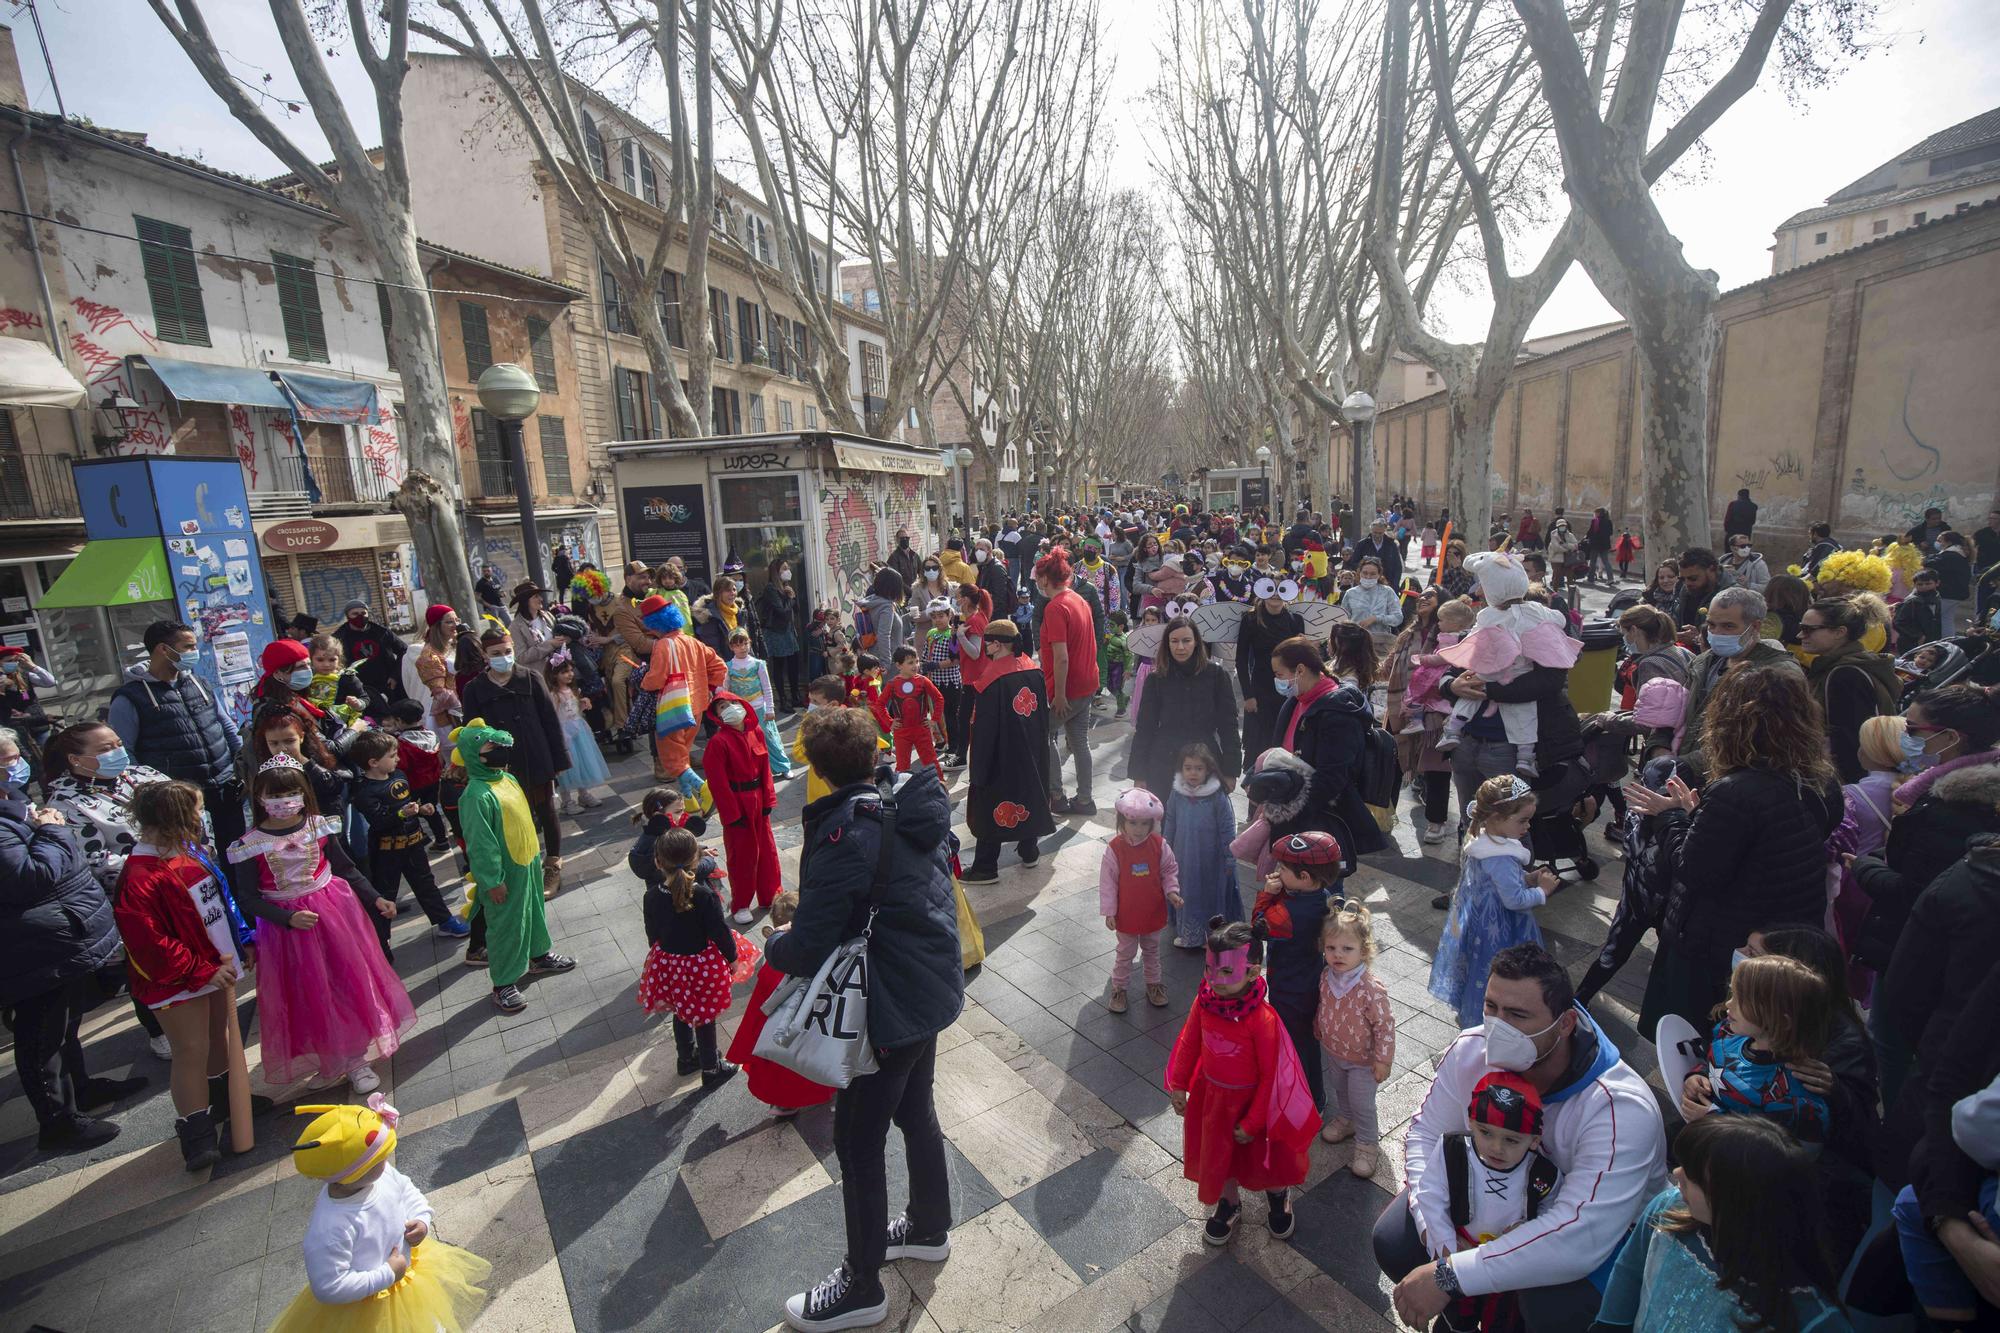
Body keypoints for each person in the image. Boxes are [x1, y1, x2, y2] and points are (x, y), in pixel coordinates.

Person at [770, 707, 962, 1333]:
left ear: (818, 771)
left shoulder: (845, 834)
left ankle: (861, 1286)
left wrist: (774, 941)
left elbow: (805, 947)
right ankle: (930, 1227)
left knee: (857, 1143)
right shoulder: (908, 800)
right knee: (916, 1111)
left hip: (887, 1004)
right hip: (929, 985)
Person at [1376, 945, 1667, 1331]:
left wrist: (1451, 1275)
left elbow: (1579, 1236)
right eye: (1491, 1007)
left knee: (1549, 1308)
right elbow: (1426, 1135)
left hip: (1604, 1238)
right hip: (1494, 1207)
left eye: (1517, 1015)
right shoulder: (1471, 1050)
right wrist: (1443, 1246)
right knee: (1395, 1240)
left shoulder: (1620, 1109)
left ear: (1564, 1024)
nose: (1497, 1027)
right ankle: (1462, 1317)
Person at [1628, 668, 1842, 1039]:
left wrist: (1672, 816)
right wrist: (1699, 817)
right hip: (1776, 938)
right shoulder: (1821, 781)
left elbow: (1693, 870)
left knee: (1698, 1044)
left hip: (1718, 945)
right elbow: (1767, 848)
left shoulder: (1736, 791)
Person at [226, 755, 414, 1096]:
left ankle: (356, 1058)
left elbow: (346, 867)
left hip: (335, 915)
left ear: (303, 793)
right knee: (307, 992)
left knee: (346, 980)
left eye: (290, 793)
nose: (283, 802)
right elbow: (248, 899)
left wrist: (376, 898)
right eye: (275, 795)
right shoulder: (249, 845)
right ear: (260, 798)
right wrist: (287, 918)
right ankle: (331, 1054)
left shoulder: (318, 826)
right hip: (287, 933)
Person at [3, 749, 143, 1151]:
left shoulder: (12, 801)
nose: (18, 764)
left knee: (63, 1023)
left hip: (55, 937)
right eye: (8, 758)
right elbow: (31, 876)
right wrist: (53, 830)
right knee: (40, 1037)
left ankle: (79, 1089)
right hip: (28, 948)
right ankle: (58, 1122)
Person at [1595, 1116, 1848, 1333]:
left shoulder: (1810, 1319)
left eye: (1692, 1176)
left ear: (1734, 1204)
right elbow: (1629, 1271)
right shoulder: (1669, 1209)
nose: (1676, 1174)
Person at [266, 1098, 491, 1333]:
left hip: (407, 1282)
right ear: (354, 1172)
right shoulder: (331, 1227)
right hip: (369, 1308)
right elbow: (329, 1286)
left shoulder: (379, 1175)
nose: (387, 1160)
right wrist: (386, 1274)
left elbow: (405, 1189)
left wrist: (422, 1218)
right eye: (379, 1158)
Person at [1166, 917, 1320, 1246]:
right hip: (1214, 1102)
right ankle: (1229, 1202)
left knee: (1266, 1163)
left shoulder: (1261, 1021)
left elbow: (1270, 1076)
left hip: (1255, 1107)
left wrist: (1253, 1122)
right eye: (1210, 968)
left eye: (1225, 971)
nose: (1215, 979)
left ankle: (1278, 1195)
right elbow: (1189, 1043)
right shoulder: (1204, 1003)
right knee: (1221, 1158)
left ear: (1252, 971)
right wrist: (1179, 1084)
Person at [1417, 1073, 1563, 1333]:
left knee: (1502, 1321)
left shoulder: (1543, 1174)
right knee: (1455, 1317)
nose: (1496, 1147)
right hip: (1459, 1253)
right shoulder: (1452, 1148)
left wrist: (1528, 1232)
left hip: (1509, 1266)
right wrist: (1447, 1247)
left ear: (1534, 1141)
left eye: (1511, 1140)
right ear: (1471, 1123)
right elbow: (1430, 1195)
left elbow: (1554, 1213)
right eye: (1486, 1132)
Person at [455, 720, 574, 1014]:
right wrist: (492, 880)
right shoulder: (475, 796)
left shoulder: (506, 779)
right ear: (474, 754)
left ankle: (539, 955)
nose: (499, 751)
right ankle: (504, 983)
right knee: (506, 925)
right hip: (505, 873)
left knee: (534, 911)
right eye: (491, 747)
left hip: (529, 861)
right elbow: (480, 844)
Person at [1430, 776, 1564, 1025]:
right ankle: (1496, 1017)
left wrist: (1527, 878)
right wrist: (1542, 892)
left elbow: (1499, 882)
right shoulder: (1500, 856)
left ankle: (1476, 1011)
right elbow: (1513, 899)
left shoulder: (1486, 842)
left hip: (1479, 922)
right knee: (1499, 972)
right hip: (1500, 928)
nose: (1528, 827)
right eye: (1522, 820)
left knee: (1478, 969)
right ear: (1496, 818)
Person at [108, 619, 246, 853]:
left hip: (224, 790)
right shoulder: (130, 698)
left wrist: (241, 767)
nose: (195, 653)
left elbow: (227, 728)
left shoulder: (199, 683)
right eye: (188, 647)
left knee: (237, 854)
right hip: (179, 801)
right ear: (163, 649)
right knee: (196, 859)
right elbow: (127, 753)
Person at [633, 824, 750, 1086]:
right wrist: (732, 959)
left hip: (669, 963)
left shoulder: (651, 896)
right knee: (704, 1016)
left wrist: (661, 959)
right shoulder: (704, 895)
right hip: (701, 965)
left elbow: (652, 934)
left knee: (681, 1011)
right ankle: (711, 1067)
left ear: (657, 862)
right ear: (696, 860)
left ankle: (686, 1058)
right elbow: (719, 932)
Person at [1680, 954, 1834, 1152]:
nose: (1728, 1004)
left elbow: (1787, 1155)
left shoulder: (1795, 1094)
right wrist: (1697, 1076)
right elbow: (1711, 1061)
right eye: (1732, 994)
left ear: (1781, 1020)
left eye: (1741, 1000)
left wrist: (1714, 1120)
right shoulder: (1728, 1032)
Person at [462, 627, 571, 892]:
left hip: (535, 754)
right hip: (500, 764)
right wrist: (477, 765)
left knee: (546, 810)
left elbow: (550, 722)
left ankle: (553, 864)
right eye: (496, 653)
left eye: (507, 652)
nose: (503, 657)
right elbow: (472, 732)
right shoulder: (474, 689)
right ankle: (523, 865)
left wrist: (558, 760)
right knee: (512, 817)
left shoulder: (531, 678)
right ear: (485, 656)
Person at [1253, 829, 1346, 1127]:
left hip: (1288, 989)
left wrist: (1268, 892)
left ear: (1304, 876)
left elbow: (1258, 925)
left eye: (1283, 869)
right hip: (1310, 980)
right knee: (1307, 1043)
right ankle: (1316, 1096)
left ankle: (1308, 1101)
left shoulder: (1286, 914)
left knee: (1295, 1046)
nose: (1277, 872)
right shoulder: (1325, 895)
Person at [1266, 636, 1388, 854]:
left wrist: (1291, 811)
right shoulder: (1295, 700)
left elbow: (1333, 777)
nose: (1277, 680)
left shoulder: (1337, 713)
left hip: (1318, 822)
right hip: (1289, 811)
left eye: (1279, 674)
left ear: (1300, 670)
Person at [959, 620, 1056, 882]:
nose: (984, 647)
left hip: (1002, 757)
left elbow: (984, 730)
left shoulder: (991, 681)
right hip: (1031, 750)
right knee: (1030, 793)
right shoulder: (1032, 669)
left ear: (997, 644)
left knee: (990, 802)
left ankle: (985, 866)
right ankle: (1029, 850)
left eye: (987, 642)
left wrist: (978, 768)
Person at [727, 890, 835, 1119]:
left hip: (775, 1034)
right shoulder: (819, 960)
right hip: (808, 1035)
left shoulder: (772, 967)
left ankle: (782, 1104)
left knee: (778, 1070)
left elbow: (759, 1010)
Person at [346, 730, 463, 941]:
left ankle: (445, 921)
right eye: (392, 756)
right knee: (385, 894)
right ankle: (381, 942)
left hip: (413, 843)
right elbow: (379, 820)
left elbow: (408, 803)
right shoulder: (364, 791)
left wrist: (420, 809)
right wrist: (402, 813)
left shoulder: (399, 775)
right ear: (373, 762)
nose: (397, 759)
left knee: (426, 884)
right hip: (386, 852)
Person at [1313, 898, 1395, 1177]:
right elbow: (1324, 1004)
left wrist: (1383, 1060)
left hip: (1363, 1060)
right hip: (1335, 1052)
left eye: (1347, 949)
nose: (1338, 954)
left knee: (1363, 1102)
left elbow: (1384, 1025)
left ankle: (1367, 1145)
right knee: (1341, 1090)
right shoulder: (1327, 976)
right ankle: (1346, 1120)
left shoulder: (1370, 988)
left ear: (1364, 950)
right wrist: (1319, 1024)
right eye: (1331, 948)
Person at [1676, 587, 1801, 768]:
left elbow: (1759, 744)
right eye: (1711, 625)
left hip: (1734, 780)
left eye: (1728, 626)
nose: (1717, 633)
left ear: (1755, 626)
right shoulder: (1703, 662)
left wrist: (1686, 765)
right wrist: (1659, 746)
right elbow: (1675, 711)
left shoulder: (1778, 674)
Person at [1129, 615, 1242, 796]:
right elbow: (1145, 727)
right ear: (1167, 644)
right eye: (1174, 641)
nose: (1180, 647)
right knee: (1165, 820)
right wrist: (1139, 773)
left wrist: (1231, 770)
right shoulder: (1156, 678)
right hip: (1163, 762)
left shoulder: (1215, 675)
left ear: (1196, 642)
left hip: (1205, 759)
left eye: (1186, 640)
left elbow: (1228, 724)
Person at [1098, 788, 1184, 1014]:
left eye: (1144, 824)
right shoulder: (1115, 849)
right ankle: (1119, 988)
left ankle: (1154, 985)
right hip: (1125, 913)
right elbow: (1108, 883)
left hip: (1151, 910)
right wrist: (1110, 911)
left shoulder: (1159, 845)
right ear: (1122, 821)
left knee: (1152, 950)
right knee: (1125, 953)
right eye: (1132, 823)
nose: (1138, 829)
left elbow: (1169, 870)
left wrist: (1172, 891)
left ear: (1152, 823)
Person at [703, 690, 782, 926]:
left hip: (758, 796)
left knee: (767, 850)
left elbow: (766, 768)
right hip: (738, 801)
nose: (729, 709)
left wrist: (768, 800)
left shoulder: (755, 732)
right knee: (742, 856)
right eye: (722, 708)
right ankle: (741, 903)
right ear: (717, 716)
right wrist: (732, 815)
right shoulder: (718, 742)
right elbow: (718, 783)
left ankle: (770, 895)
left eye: (731, 704)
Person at [1800, 598, 1899, 784]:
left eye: (1808, 630)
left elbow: (1849, 742)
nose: (1800, 635)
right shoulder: (1847, 665)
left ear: (1839, 632)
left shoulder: (1844, 674)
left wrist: (1845, 792)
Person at [638, 596, 728, 795]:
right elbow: (720, 667)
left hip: (674, 708)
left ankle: (706, 791)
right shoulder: (692, 641)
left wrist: (641, 680)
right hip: (696, 708)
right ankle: (689, 800)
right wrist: (709, 687)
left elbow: (655, 680)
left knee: (673, 759)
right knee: (683, 755)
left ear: (654, 623)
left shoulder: (663, 645)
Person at [1034, 550, 1101, 815]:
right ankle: (1085, 799)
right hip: (1086, 681)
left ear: (1044, 579)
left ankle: (1057, 795)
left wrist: (1059, 695)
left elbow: (1061, 657)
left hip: (1069, 687)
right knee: (1079, 740)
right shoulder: (1078, 599)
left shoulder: (1056, 607)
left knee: (1044, 734)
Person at [1164, 742, 1237, 949]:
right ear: (1182, 769)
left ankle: (1209, 935)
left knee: (1209, 893)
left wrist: (1229, 856)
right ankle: (1189, 934)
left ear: (1208, 769)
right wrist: (1166, 848)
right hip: (1183, 855)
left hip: (1210, 857)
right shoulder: (1177, 793)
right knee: (1186, 890)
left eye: (1198, 768)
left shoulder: (1217, 796)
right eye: (1188, 768)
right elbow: (1170, 819)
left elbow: (1227, 828)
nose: (1193, 773)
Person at [1236, 584, 1306, 761]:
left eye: (1280, 589)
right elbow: (1241, 659)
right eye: (1270, 589)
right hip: (1260, 689)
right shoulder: (1250, 619)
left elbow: (1302, 660)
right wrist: (1248, 695)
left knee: (1285, 743)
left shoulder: (1295, 620)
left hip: (1289, 689)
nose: (1275, 594)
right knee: (1258, 746)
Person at [725, 628, 793, 782]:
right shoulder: (728, 667)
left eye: (744, 643)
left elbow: (767, 688)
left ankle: (784, 767)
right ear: (731, 647)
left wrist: (769, 708)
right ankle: (758, 771)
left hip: (759, 708)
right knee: (747, 743)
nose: (742, 648)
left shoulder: (758, 664)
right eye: (737, 645)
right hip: (740, 711)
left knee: (770, 738)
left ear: (749, 643)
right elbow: (725, 689)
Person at [887, 645, 948, 778]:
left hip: (922, 729)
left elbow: (939, 699)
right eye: (910, 663)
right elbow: (879, 705)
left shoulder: (923, 681)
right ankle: (902, 792)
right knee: (902, 766)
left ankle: (941, 786)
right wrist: (889, 722)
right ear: (898, 666)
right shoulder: (892, 684)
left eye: (917, 661)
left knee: (931, 762)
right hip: (902, 732)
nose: (915, 665)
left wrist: (934, 721)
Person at [756, 556, 805, 713]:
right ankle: (783, 700)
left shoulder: (786, 587)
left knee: (794, 664)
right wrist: (789, 599)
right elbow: (782, 612)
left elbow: (795, 610)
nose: (788, 571)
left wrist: (793, 597)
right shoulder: (771, 588)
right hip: (776, 632)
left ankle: (795, 696)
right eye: (784, 569)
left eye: (788, 568)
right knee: (779, 665)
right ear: (776, 572)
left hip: (789, 631)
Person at [1342, 555, 1403, 655]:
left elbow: (1398, 618)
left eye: (1373, 574)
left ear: (1379, 575)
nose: (1368, 577)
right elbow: (1343, 619)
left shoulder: (1387, 592)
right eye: (1365, 573)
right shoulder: (1350, 593)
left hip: (1381, 645)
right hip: (1355, 643)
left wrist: (1376, 618)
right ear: (1359, 573)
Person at [855, 568, 910, 659]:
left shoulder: (873, 601)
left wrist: (909, 616)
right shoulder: (887, 607)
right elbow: (883, 635)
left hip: (874, 653)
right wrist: (886, 662)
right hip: (891, 658)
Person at [1929, 529, 1974, 636]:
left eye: (1940, 541)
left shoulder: (1950, 555)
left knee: (1933, 617)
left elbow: (1931, 563)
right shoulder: (1959, 554)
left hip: (1947, 593)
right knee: (1947, 619)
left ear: (1948, 542)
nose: (1938, 543)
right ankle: (1948, 641)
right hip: (1955, 594)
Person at [1894, 565, 1944, 650]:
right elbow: (1898, 622)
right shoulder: (1912, 601)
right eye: (1920, 584)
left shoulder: (1936, 598)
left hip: (1930, 641)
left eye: (1928, 584)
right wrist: (1918, 635)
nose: (1924, 587)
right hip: (1911, 643)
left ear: (1937, 583)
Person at [1351, 518, 1406, 587]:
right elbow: (1354, 563)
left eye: (1380, 533)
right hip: (1367, 583)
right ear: (1371, 531)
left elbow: (1397, 567)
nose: (1377, 535)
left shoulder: (1392, 545)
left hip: (1388, 583)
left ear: (1384, 531)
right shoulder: (1362, 544)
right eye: (1375, 532)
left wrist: (1395, 585)